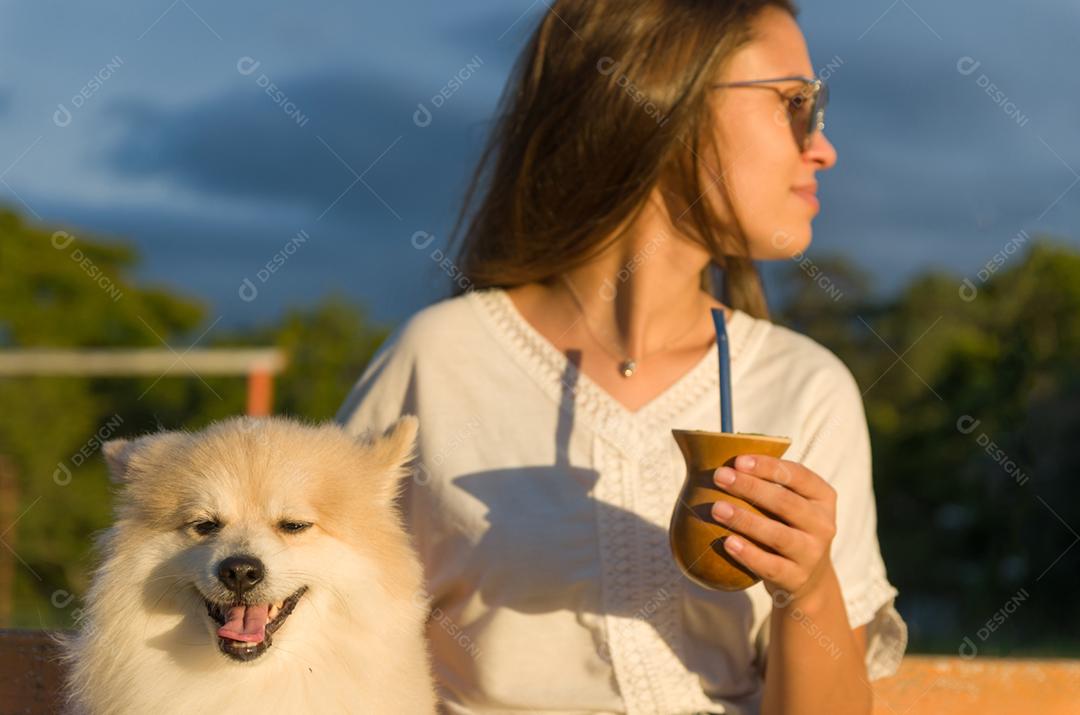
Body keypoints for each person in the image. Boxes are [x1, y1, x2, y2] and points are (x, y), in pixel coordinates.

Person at [335, 1, 907, 712]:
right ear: (660, 99)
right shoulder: (434, 362)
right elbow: (320, 643)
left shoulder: (806, 387)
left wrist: (810, 588)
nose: (822, 147)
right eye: (795, 103)